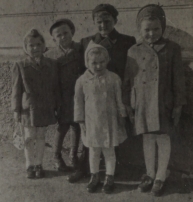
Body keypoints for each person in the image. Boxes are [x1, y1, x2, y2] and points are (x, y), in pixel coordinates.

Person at [67, 3, 136, 183]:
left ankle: (112, 172)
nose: (103, 25)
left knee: (113, 136)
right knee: (91, 136)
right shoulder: (86, 42)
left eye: (107, 21)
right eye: (99, 22)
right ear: (94, 22)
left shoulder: (127, 41)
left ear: (115, 20)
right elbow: (82, 72)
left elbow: (130, 71)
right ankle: (86, 169)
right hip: (93, 98)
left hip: (115, 94)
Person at [123, 4, 186, 196]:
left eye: (156, 29)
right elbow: (127, 79)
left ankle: (160, 175)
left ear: (163, 27)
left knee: (163, 137)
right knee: (147, 137)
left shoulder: (172, 49)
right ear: (140, 30)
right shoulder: (133, 50)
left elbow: (179, 79)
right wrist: (127, 103)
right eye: (146, 30)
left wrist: (178, 105)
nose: (151, 34)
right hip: (141, 102)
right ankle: (149, 173)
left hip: (163, 102)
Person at [74, 42, 127, 193]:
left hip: (109, 121)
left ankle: (109, 178)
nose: (98, 66)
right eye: (94, 63)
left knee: (109, 150)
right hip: (91, 122)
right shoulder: (82, 81)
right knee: (94, 150)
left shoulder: (113, 78)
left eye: (102, 62)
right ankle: (94, 176)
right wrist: (80, 121)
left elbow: (119, 99)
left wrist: (122, 115)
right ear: (87, 62)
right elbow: (78, 102)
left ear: (107, 60)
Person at [11, 29, 60, 178]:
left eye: (39, 44)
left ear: (44, 46)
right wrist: (16, 110)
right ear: (26, 48)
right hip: (28, 109)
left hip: (44, 107)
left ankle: (39, 164)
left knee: (41, 137)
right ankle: (29, 165)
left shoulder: (51, 64)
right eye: (31, 45)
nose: (35, 48)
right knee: (29, 137)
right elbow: (16, 90)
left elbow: (55, 87)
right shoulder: (20, 65)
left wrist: (56, 105)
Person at [45, 19, 84, 171]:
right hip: (62, 97)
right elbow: (50, 81)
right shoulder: (51, 55)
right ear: (54, 39)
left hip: (78, 94)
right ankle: (56, 156)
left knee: (77, 126)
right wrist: (54, 101)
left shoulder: (80, 49)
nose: (63, 37)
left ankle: (73, 155)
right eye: (58, 35)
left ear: (72, 32)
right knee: (62, 127)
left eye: (66, 33)